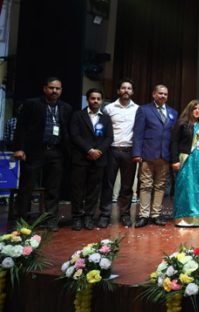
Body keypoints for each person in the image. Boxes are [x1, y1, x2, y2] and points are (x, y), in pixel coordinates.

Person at [13, 77, 73, 231]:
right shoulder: (32, 104)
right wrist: (19, 148)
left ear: (61, 91)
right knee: (27, 186)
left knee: (53, 188)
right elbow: (21, 127)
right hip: (34, 152)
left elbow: (67, 131)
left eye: (58, 89)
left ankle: (51, 219)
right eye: (52, 88)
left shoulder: (66, 107)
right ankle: (22, 219)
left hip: (56, 152)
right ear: (45, 88)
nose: (54, 91)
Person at [132, 84, 178, 227]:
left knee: (160, 186)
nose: (163, 96)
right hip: (147, 154)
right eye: (160, 93)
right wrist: (137, 153)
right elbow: (138, 133)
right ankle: (144, 215)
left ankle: (156, 214)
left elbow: (173, 137)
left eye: (165, 94)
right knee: (145, 185)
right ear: (154, 94)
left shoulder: (173, 113)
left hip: (164, 155)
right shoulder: (144, 110)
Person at [70, 88, 113, 230]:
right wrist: (89, 150)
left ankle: (89, 216)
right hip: (81, 158)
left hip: (99, 159)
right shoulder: (78, 115)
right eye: (93, 98)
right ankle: (77, 217)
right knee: (78, 189)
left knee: (94, 190)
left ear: (101, 101)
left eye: (98, 99)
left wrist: (98, 151)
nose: (95, 101)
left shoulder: (106, 118)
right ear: (88, 100)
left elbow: (109, 138)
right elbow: (75, 136)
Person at [98, 79, 139, 227]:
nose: (126, 90)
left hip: (129, 151)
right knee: (107, 184)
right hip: (111, 150)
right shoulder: (108, 108)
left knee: (127, 186)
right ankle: (104, 215)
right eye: (123, 88)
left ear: (132, 92)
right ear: (118, 91)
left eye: (129, 88)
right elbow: (101, 130)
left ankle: (125, 214)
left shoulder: (137, 109)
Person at [170, 100, 199, 227]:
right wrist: (175, 160)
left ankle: (196, 217)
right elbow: (174, 142)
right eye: (195, 108)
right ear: (190, 110)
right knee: (185, 187)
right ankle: (183, 217)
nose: (197, 111)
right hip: (186, 159)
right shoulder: (182, 124)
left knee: (198, 188)